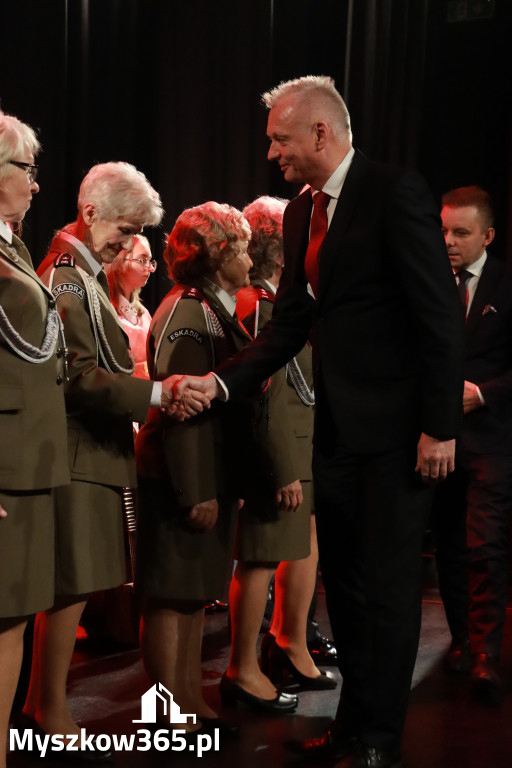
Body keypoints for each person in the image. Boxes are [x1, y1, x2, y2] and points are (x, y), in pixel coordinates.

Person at [172, 76, 464, 768]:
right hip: (336, 437)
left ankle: (380, 742)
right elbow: (289, 327)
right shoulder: (304, 211)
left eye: (279, 137)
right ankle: (353, 724)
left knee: (390, 595)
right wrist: (219, 382)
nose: (272, 151)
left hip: (399, 441)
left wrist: (439, 426)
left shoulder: (395, 192)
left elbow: (438, 319)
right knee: (351, 591)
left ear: (320, 134)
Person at [22, 162, 205, 754]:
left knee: (78, 583)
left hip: (92, 451)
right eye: (125, 230)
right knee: (69, 585)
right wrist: (159, 393)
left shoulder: (86, 274)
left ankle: (45, 702)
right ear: (92, 211)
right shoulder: (69, 277)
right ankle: (46, 706)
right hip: (76, 450)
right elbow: (78, 378)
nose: (130, 245)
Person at [135, 201, 298, 736]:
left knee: (189, 595)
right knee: (171, 595)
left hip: (210, 477)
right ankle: (169, 709)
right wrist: (196, 490)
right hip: (184, 480)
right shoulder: (188, 312)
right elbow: (184, 414)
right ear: (217, 253)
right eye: (243, 245)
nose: (252, 255)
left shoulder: (211, 306)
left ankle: (185, 697)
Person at [228, 195, 335, 701]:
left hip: (300, 443)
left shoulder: (280, 299)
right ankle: (242, 666)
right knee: (262, 557)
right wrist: (282, 466)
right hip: (281, 452)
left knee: (295, 550)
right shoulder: (258, 305)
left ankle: (289, 642)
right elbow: (263, 396)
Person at [0, 111, 68, 768]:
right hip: (4, 468)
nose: (35, 185)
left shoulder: (12, 247)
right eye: (27, 169)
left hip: (26, 464)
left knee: (13, 621)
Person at [432, 186, 512, 704]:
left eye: (461, 232)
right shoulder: (427, 283)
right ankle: (462, 640)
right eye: (443, 230)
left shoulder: (507, 286)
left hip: (492, 436)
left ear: (487, 235)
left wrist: (482, 393)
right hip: (435, 439)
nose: (449, 242)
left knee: (485, 544)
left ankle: (485, 653)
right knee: (448, 545)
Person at [104, 233, 156, 379]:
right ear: (120, 261)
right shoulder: (107, 312)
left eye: (150, 261)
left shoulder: (143, 313)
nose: (150, 268)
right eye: (143, 260)